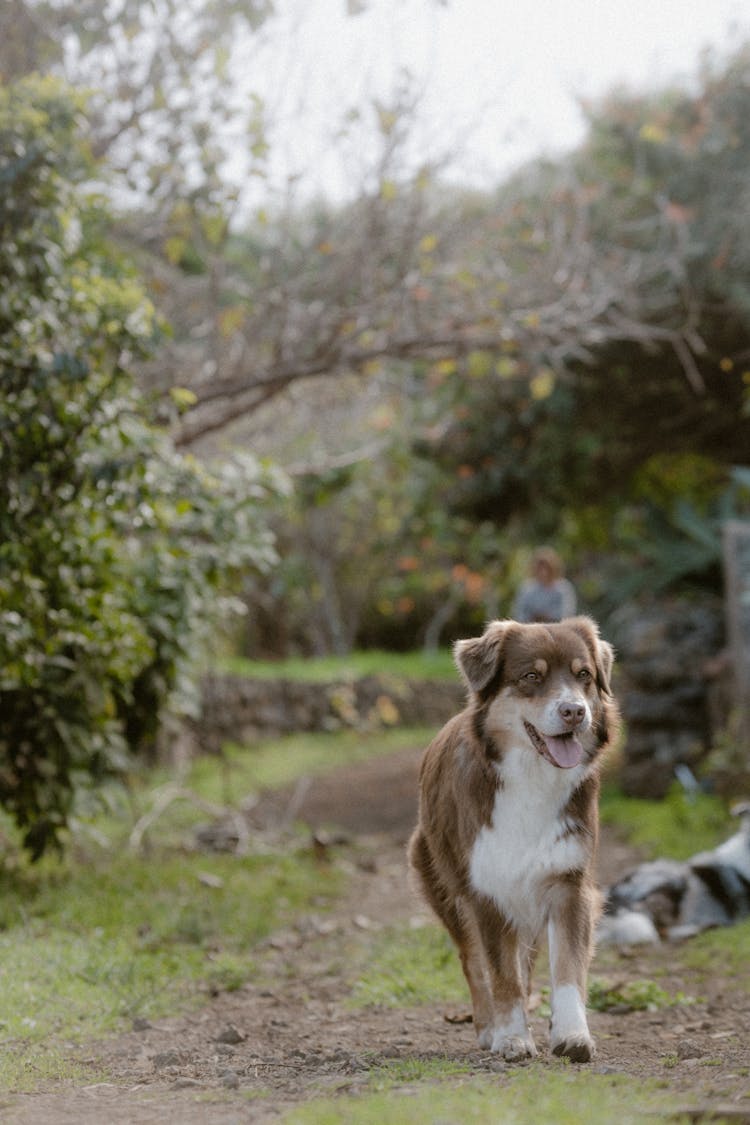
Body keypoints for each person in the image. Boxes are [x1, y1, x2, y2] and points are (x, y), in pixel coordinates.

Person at [512, 547, 577, 623]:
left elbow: (566, 613)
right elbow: (520, 612)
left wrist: (545, 617)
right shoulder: (527, 588)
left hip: (557, 630)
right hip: (530, 629)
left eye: (547, 568)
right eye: (540, 568)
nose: (543, 572)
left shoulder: (563, 588)